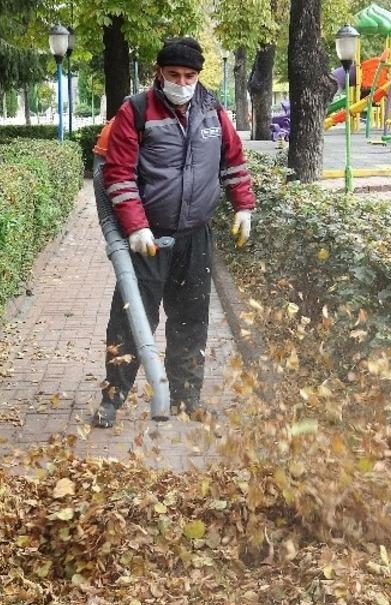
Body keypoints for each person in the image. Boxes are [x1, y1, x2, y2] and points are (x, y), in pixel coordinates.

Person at [92, 36, 255, 429]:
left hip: (194, 237)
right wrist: (135, 227)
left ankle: (186, 397)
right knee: (131, 320)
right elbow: (118, 174)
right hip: (147, 239)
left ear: (198, 75)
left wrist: (244, 207)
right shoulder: (136, 111)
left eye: (189, 75)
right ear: (158, 74)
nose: (182, 83)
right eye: (173, 75)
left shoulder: (213, 112)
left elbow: (233, 161)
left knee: (191, 320)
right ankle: (112, 398)